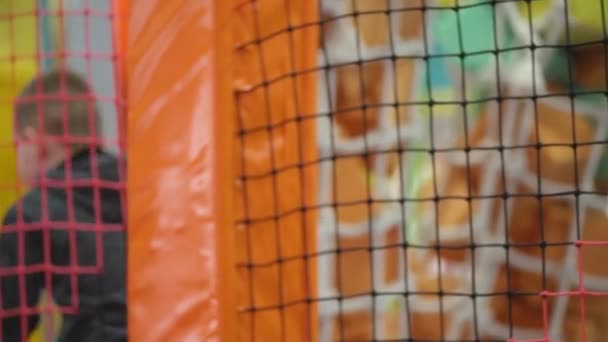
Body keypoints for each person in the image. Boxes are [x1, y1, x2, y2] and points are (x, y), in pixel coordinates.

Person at [0, 69, 127, 341]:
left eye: (18, 144)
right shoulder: (138, 184)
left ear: (36, 143)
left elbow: (7, 320)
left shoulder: (33, 211)